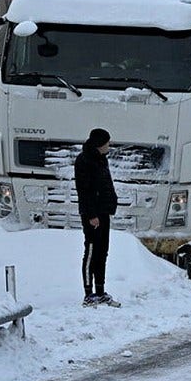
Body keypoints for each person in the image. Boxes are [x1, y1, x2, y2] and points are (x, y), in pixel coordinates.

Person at [75, 128, 120, 307]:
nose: (109, 145)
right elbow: (84, 191)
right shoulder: (84, 161)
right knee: (91, 252)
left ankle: (100, 291)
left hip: (104, 211)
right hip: (92, 215)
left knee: (102, 252)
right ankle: (88, 293)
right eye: (107, 142)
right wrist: (91, 214)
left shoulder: (102, 159)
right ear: (99, 144)